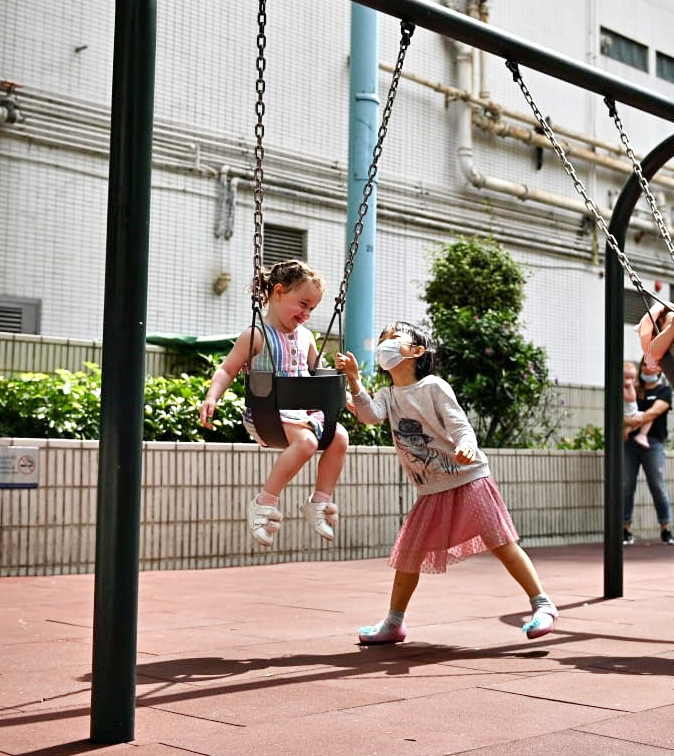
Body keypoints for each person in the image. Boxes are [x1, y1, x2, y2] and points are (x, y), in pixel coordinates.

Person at [335, 320, 558, 643]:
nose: (385, 343)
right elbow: (369, 415)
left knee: (503, 544)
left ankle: (543, 604)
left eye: (393, 338)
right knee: (409, 555)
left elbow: (460, 425)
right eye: (383, 339)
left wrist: (467, 445)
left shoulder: (433, 387)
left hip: (468, 478)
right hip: (432, 487)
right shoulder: (388, 395)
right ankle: (394, 622)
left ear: (416, 351)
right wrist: (354, 380)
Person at [199, 259, 348, 548]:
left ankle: (319, 501)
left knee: (340, 436)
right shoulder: (256, 335)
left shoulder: (306, 337)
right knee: (306, 443)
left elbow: (318, 372)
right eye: (303, 304)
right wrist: (211, 396)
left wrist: (346, 395)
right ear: (278, 292)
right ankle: (264, 502)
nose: (306, 314)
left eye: (312, 309)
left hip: (302, 412)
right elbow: (227, 369)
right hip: (266, 414)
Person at [620, 360, 674, 546]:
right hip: (629, 443)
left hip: (653, 443)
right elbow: (621, 412)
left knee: (657, 485)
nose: (647, 368)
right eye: (644, 364)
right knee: (627, 485)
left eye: (652, 365)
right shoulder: (632, 388)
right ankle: (625, 528)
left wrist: (635, 420)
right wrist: (630, 422)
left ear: (660, 368)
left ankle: (665, 529)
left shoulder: (664, 391)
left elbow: (655, 412)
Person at [622, 371, 653, 449]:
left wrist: (631, 387)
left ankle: (642, 435)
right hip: (626, 415)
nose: (629, 381)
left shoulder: (631, 387)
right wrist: (631, 387)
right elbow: (630, 398)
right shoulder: (624, 388)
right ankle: (629, 429)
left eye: (632, 378)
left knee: (647, 419)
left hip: (633, 413)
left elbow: (632, 398)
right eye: (626, 378)